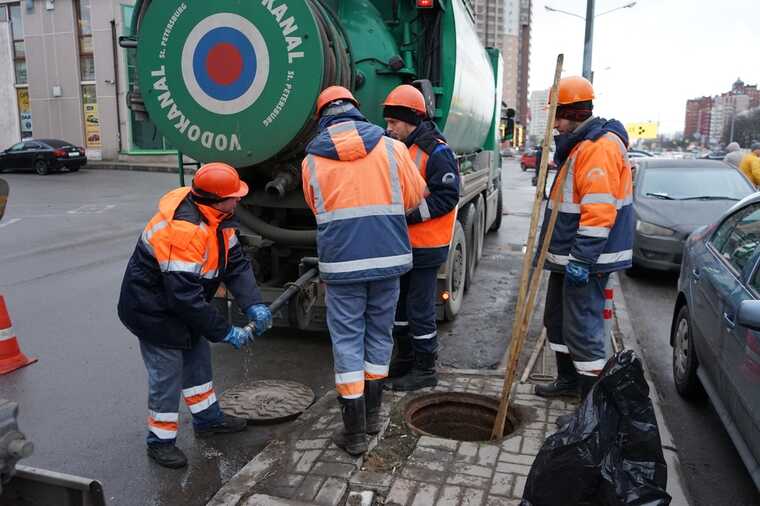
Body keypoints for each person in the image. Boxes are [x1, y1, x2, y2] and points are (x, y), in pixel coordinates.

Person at [118, 163, 273, 469]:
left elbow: (236, 265)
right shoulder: (184, 231)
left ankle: (208, 420)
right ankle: (159, 442)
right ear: (215, 200)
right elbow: (183, 297)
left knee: (198, 362)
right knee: (168, 376)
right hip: (153, 311)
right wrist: (225, 331)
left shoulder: (220, 218)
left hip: (181, 304)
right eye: (233, 196)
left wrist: (253, 303)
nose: (239, 199)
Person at [301, 86, 427, 455]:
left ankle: (353, 433)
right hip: (388, 260)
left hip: (342, 265)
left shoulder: (311, 160)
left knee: (347, 341)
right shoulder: (392, 148)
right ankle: (372, 418)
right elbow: (414, 196)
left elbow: (315, 207)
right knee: (379, 334)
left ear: (322, 117)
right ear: (357, 110)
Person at [534, 76, 634, 407]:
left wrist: (582, 259)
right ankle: (566, 381)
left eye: (558, 117)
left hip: (586, 260)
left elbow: (599, 210)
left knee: (584, 330)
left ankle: (590, 410)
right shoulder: (579, 146)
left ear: (574, 113)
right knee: (557, 320)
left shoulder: (598, 148)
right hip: (568, 257)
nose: (555, 125)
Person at [381, 85, 460, 391]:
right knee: (399, 306)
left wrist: (410, 215)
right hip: (402, 243)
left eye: (394, 123)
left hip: (426, 246)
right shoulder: (397, 145)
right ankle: (404, 362)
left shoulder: (436, 150)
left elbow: (448, 196)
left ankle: (425, 369)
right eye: (387, 122)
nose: (389, 128)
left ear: (411, 120)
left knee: (419, 309)